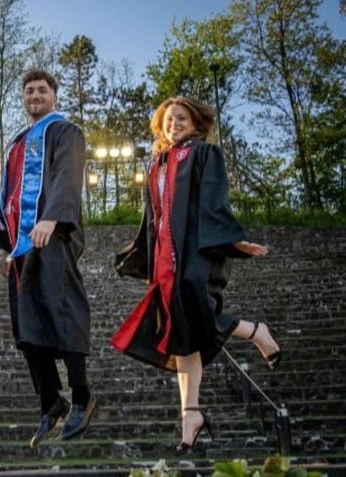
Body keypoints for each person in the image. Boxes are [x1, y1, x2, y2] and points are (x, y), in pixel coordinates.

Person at [112, 96, 281, 453]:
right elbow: (152, 217)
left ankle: (256, 331)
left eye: (182, 118)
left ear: (196, 123)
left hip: (195, 252)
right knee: (183, 335)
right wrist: (147, 260)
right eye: (169, 119)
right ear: (161, 125)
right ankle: (190, 416)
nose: (174, 123)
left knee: (196, 310)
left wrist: (233, 240)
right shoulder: (156, 163)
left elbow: (213, 201)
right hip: (165, 260)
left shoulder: (205, 154)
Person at [0, 69, 97, 449]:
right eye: (29, 91)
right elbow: (12, 193)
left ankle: (83, 397)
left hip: (53, 236)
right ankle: (50, 400)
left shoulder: (64, 132)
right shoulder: (17, 142)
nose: (35, 95)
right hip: (23, 247)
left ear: (54, 95)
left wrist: (52, 219)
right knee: (27, 326)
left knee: (63, 311)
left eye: (42, 90)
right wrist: (8, 244)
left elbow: (68, 177)